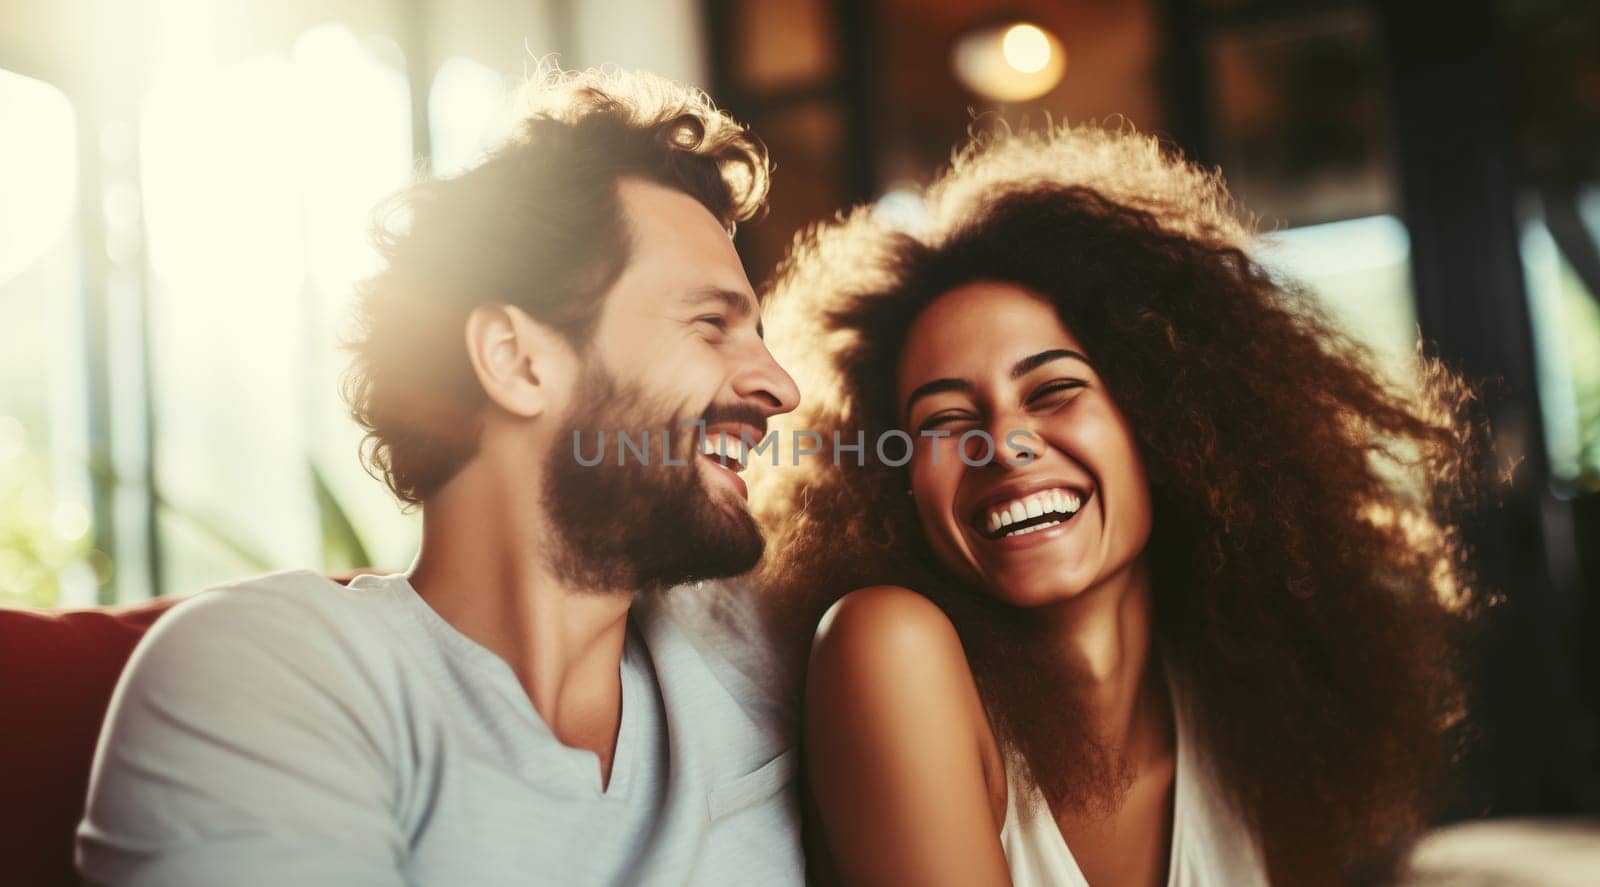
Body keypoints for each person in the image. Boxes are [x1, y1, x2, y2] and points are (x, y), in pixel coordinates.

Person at [77, 67, 805, 886]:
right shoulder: (272, 673)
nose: (781, 386)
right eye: (712, 324)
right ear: (516, 359)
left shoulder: (766, 646)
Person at [751, 123, 1484, 885]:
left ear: (1163, 420)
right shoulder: (886, 645)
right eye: (943, 421)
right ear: (893, 482)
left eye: (1053, 390)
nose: (1003, 444)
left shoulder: (1254, 713)